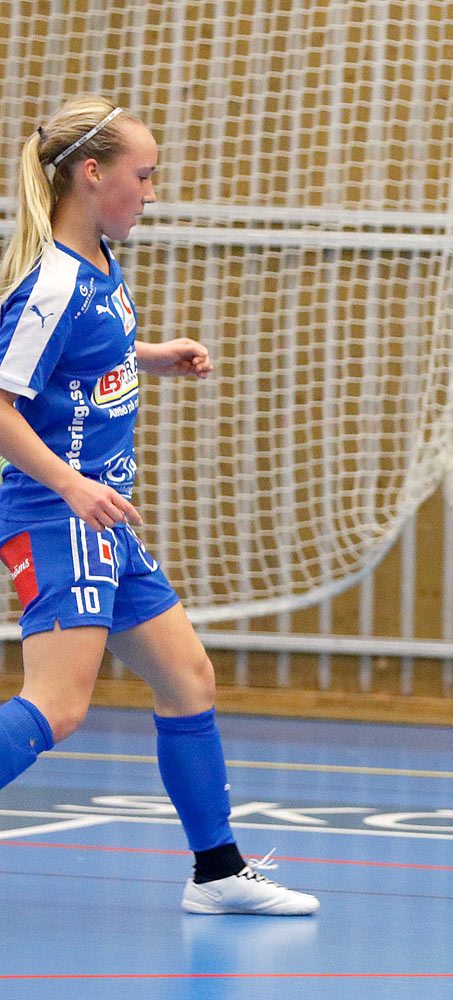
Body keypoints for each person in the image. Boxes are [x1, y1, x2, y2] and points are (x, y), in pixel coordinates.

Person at [0, 97, 317, 915]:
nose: (151, 192)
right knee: (59, 706)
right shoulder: (50, 282)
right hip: (57, 512)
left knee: (188, 679)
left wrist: (149, 356)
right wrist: (70, 484)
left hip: (105, 519)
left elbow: (80, 350)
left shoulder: (101, 262)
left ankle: (217, 873)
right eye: (143, 176)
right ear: (92, 175)